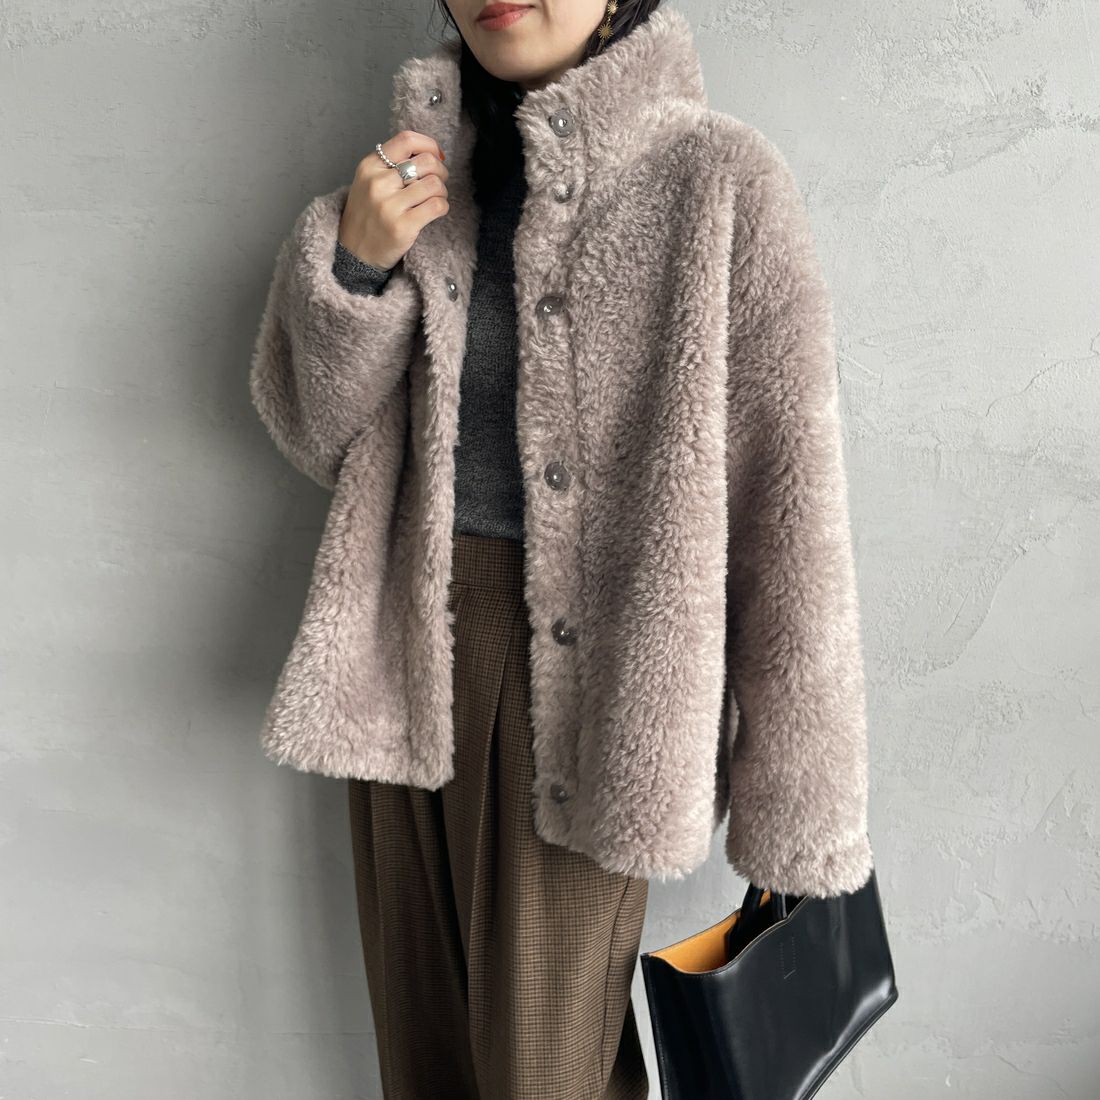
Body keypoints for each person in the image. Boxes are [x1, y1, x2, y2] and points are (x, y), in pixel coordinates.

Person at [249, 1, 875, 1097]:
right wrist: (354, 270)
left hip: (588, 698)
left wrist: (802, 815)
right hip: (400, 665)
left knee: (546, 1074)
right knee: (423, 1067)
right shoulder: (419, 173)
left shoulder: (718, 179)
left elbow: (791, 514)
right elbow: (312, 433)